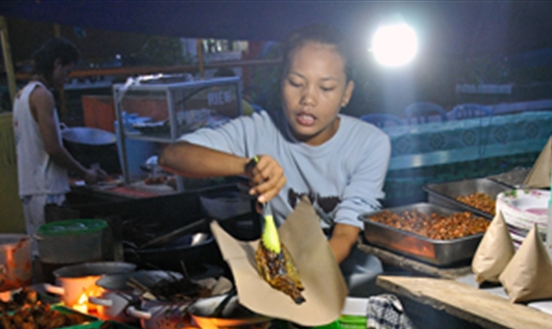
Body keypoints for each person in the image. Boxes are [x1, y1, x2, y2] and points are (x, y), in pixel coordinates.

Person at [159, 24, 391, 295]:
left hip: (352, 286)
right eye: (296, 83)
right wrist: (247, 166)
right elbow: (171, 156)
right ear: (281, 81)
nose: (308, 99)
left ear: (346, 94)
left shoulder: (370, 142)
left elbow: (345, 234)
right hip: (283, 282)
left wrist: (296, 284)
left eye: (326, 88)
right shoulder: (258, 129)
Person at [13, 37, 106, 241]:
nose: (66, 78)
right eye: (66, 72)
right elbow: (53, 148)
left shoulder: (21, 95)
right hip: (47, 192)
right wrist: (85, 173)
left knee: (40, 252)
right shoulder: (43, 96)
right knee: (59, 251)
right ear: (56, 64)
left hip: (30, 190)